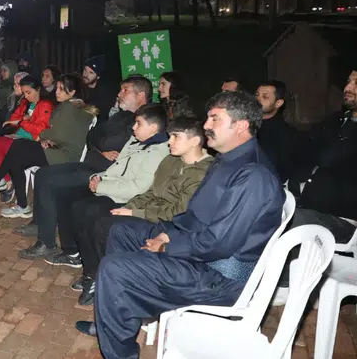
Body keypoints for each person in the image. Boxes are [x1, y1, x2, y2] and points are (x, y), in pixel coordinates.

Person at [79, 91, 283, 359]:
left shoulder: (253, 176)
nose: (206, 125)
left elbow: (219, 244)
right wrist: (167, 234)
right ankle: (116, 324)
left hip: (219, 276)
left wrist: (167, 247)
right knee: (121, 229)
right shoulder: (228, 161)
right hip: (199, 251)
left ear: (242, 125)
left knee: (115, 269)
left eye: (214, 119)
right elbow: (196, 217)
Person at [69, 116, 213, 305]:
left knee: (106, 225)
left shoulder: (204, 172)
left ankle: (107, 280)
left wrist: (134, 213)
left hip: (172, 226)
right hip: (151, 212)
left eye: (175, 137)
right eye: (170, 136)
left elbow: (179, 211)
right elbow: (152, 192)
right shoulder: (171, 160)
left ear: (194, 141)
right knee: (98, 216)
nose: (169, 141)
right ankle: (96, 274)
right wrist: (129, 206)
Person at [16, 76, 150, 246]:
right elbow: (92, 134)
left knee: (50, 181)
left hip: (104, 172)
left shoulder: (143, 120)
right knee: (43, 174)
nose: (119, 94)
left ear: (140, 95)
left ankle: (45, 243)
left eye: (125, 90)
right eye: (121, 89)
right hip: (90, 162)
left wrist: (100, 144)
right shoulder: (122, 116)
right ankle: (41, 228)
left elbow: (106, 140)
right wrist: (101, 147)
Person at [40, 103, 170, 269]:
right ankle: (72, 252)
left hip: (128, 198)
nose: (133, 127)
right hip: (111, 185)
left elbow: (137, 189)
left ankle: (92, 270)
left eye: (138, 124)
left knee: (84, 209)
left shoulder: (158, 152)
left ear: (153, 128)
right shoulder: (136, 140)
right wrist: (97, 178)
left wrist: (101, 187)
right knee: (65, 195)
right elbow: (116, 168)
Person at [275, 68, 357, 300]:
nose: (347, 87)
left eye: (356, 83)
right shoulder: (336, 121)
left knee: (295, 221)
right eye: (349, 80)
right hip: (310, 205)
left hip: (345, 220)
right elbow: (303, 153)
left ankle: (286, 285)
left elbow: (329, 160)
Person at [0, 73, 96, 217]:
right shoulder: (77, 107)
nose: (57, 91)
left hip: (62, 155)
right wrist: (48, 138)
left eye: (62, 89)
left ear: (72, 92)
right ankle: (17, 200)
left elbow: (57, 134)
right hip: (61, 150)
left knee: (19, 148)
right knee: (17, 154)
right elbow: (62, 133)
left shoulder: (68, 108)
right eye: (57, 88)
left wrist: (44, 136)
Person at [0, 75, 54, 203]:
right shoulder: (24, 103)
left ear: (38, 89)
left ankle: (5, 183)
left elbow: (40, 129)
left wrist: (22, 122)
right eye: (24, 93)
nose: (26, 96)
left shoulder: (45, 105)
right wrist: (20, 121)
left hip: (30, 141)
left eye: (29, 92)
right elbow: (12, 120)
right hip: (18, 136)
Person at [255, 80, 296, 183]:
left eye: (265, 97)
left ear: (278, 103)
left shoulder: (286, 134)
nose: (258, 100)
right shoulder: (244, 125)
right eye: (257, 95)